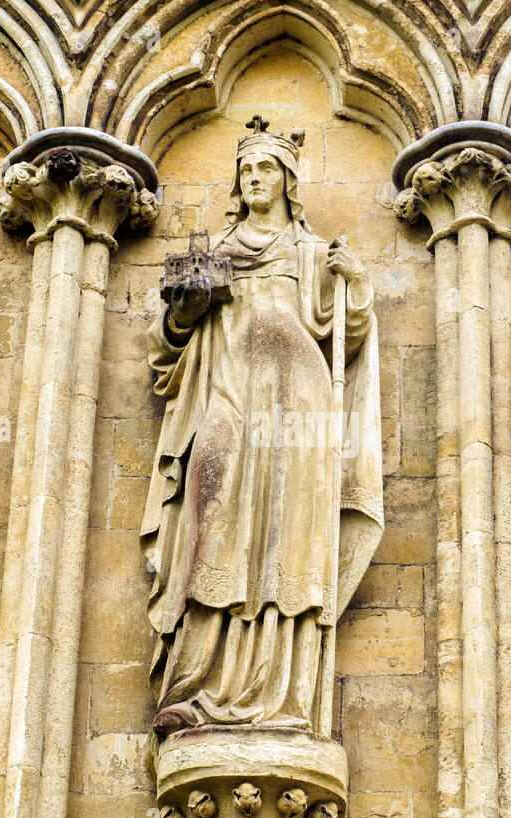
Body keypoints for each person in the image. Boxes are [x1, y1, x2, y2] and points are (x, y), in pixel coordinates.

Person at [141, 116, 383, 738]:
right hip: (225, 399)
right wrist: (184, 312)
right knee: (211, 513)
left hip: (298, 409)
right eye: (246, 170)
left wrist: (354, 286)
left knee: (288, 538)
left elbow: (344, 338)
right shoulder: (213, 254)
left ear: (288, 179)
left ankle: (283, 697)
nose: (255, 179)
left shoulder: (311, 253)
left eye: (266, 169)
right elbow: (165, 350)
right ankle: (196, 686)